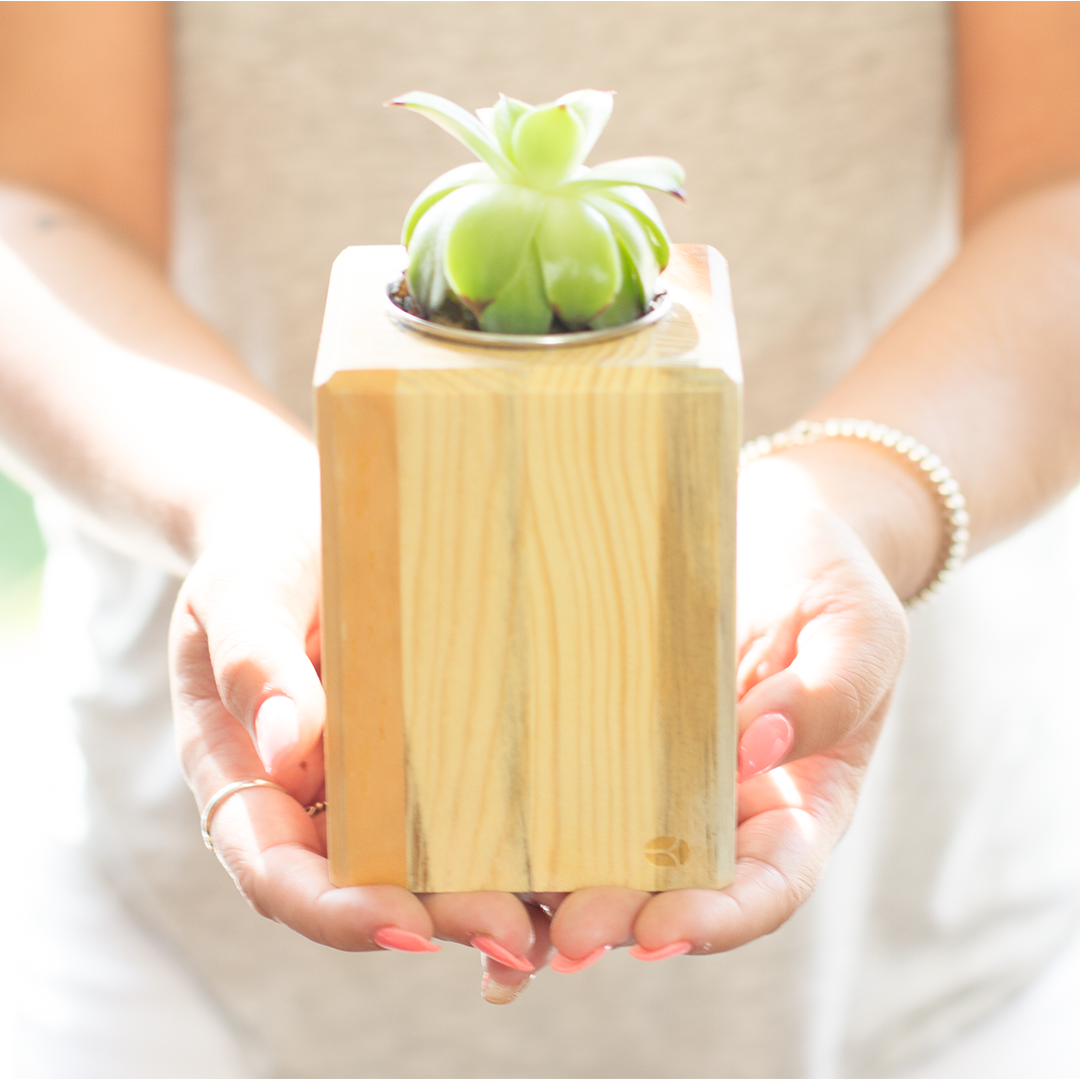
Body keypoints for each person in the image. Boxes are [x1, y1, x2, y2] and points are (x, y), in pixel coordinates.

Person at [3, 2, 1080, 1076]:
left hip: (932, 934)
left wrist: (861, 499)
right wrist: (237, 498)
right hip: (172, 957)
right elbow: (34, 200)